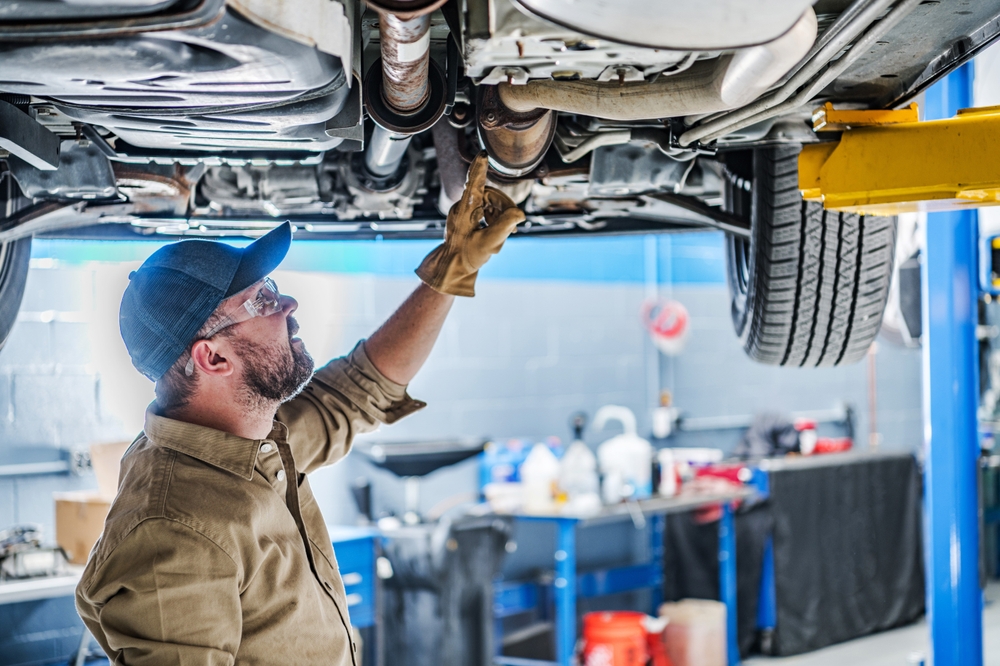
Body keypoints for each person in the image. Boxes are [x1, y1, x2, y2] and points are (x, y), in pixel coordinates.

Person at [75, 154, 524, 665]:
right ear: (213, 357)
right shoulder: (173, 530)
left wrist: (451, 269)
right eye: (262, 301)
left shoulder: (255, 436)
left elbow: (358, 388)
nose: (287, 304)